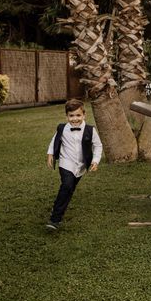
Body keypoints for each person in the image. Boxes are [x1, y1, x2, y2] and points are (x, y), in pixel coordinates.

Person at [46, 99, 102, 231]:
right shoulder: (62, 128)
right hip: (66, 163)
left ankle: (58, 205)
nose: (75, 119)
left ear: (84, 115)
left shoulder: (90, 130)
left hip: (81, 166)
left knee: (69, 189)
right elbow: (54, 140)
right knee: (66, 185)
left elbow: (98, 146)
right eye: (71, 116)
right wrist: (50, 154)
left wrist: (95, 160)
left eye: (78, 115)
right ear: (67, 116)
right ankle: (55, 219)